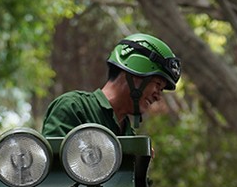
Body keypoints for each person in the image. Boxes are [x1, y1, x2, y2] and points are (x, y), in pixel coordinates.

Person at [42, 34, 180, 140]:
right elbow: (54, 172)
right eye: (157, 85)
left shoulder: (128, 135)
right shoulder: (74, 108)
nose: (158, 96)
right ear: (134, 73)